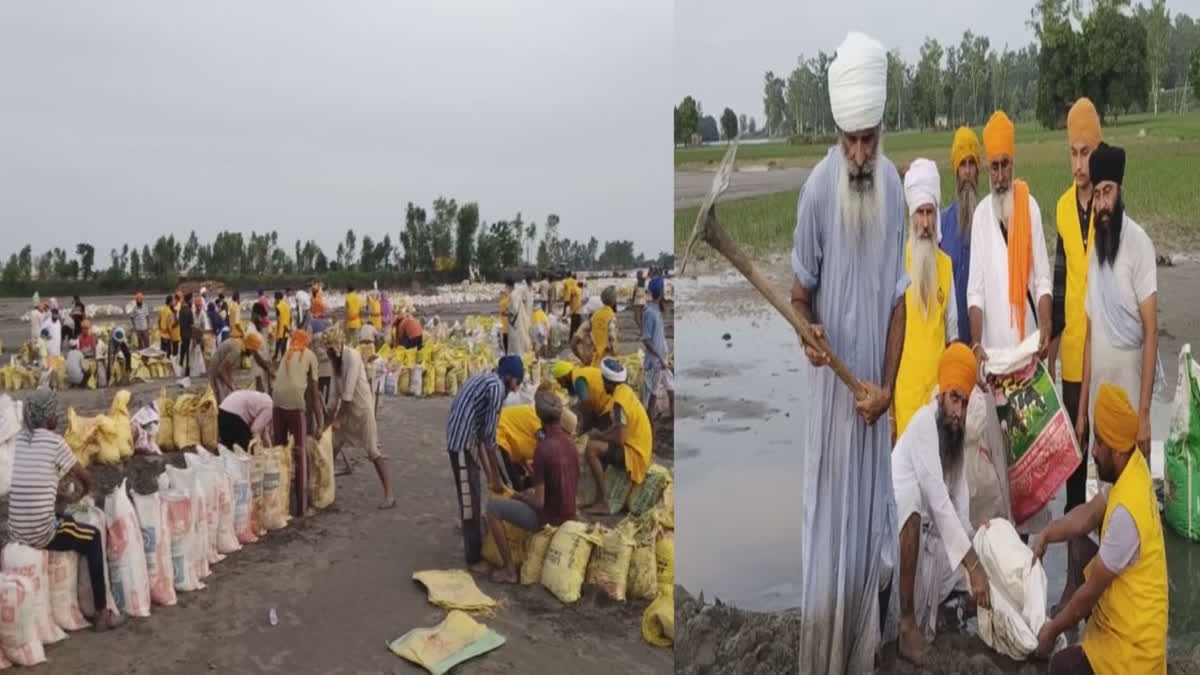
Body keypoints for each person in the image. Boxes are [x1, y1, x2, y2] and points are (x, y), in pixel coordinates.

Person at [787, 32, 908, 672]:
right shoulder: (813, 194)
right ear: (837, 134)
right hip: (834, 411)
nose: (860, 154)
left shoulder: (891, 186)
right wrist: (808, 331)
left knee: (873, 531)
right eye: (849, 141)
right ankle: (827, 655)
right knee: (831, 530)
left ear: (881, 127)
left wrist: (886, 388)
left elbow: (898, 303)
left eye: (868, 138)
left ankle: (867, 647)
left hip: (874, 406)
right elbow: (798, 294)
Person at [1033, 383, 1167, 674]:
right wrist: (1047, 534)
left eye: (1099, 444)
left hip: (1134, 651)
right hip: (1127, 612)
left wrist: (1052, 630)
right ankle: (1078, 624)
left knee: (1060, 666)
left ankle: (1075, 634)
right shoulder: (1132, 469)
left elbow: (1090, 593)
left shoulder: (1125, 515)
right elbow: (1087, 515)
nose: (1092, 451)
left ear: (1118, 450)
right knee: (1078, 542)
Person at [967, 110, 1054, 536]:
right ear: (987, 167)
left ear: (1013, 164)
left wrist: (1047, 328)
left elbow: (1041, 278)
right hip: (996, 364)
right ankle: (1006, 549)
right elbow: (975, 291)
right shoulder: (982, 217)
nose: (1000, 174)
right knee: (1000, 460)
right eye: (994, 166)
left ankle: (1032, 555)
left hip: (1027, 357)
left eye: (1006, 165)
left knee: (1032, 462)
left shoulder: (1030, 208)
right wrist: (978, 343)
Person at [889, 343, 991, 665]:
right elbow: (939, 503)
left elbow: (959, 510)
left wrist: (980, 547)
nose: (958, 412)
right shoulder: (923, 425)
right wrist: (973, 566)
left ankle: (943, 609)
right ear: (941, 394)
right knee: (913, 507)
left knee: (984, 547)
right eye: (954, 399)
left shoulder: (955, 436)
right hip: (896, 538)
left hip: (929, 547)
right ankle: (906, 624)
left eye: (964, 401)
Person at [1046, 97, 1102, 610]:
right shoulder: (1064, 207)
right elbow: (1060, 286)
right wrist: (1049, 344)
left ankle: (1110, 575)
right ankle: (1073, 577)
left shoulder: (1111, 203)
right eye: (1073, 153)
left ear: (1099, 150)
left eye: (1086, 152)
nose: (1079, 164)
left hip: (1108, 356)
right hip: (1072, 358)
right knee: (1072, 468)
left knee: (1111, 463)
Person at [1076, 142, 1164, 465]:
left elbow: (1152, 332)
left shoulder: (1139, 245)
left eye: (1107, 192)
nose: (1101, 203)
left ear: (1120, 192)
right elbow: (1090, 337)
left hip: (1129, 403)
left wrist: (1143, 415)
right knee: (1104, 493)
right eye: (1097, 194)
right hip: (1099, 402)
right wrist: (1083, 411)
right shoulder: (1095, 255)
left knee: (1132, 490)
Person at [9, 391, 123, 631]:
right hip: (41, 534)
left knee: (66, 519)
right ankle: (102, 612)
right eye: (54, 414)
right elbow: (85, 478)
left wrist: (58, 495)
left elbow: (35, 481)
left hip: (16, 529)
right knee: (92, 537)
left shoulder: (20, 440)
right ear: (48, 417)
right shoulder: (54, 442)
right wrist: (79, 495)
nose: (57, 418)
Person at [483, 391, 579, 584]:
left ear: (538, 416)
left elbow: (539, 501)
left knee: (492, 508)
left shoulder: (543, 449)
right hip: (570, 512)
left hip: (549, 518)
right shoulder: (571, 444)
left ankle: (509, 570)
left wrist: (520, 496)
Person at [893, 158, 958, 440]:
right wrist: (889, 413)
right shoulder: (895, 265)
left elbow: (952, 337)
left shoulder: (946, 266)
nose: (926, 223)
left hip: (936, 405)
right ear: (911, 216)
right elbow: (886, 342)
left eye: (930, 212)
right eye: (920, 213)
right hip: (903, 401)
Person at [445, 355, 525, 570]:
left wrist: (490, 475)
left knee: (474, 490)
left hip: (467, 439)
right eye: (517, 382)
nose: (516, 390)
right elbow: (490, 439)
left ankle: (475, 541)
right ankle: (473, 559)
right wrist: (497, 480)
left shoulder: (488, 379)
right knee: (469, 499)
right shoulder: (497, 388)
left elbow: (482, 435)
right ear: (509, 377)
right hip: (461, 443)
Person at [320, 326, 395, 509]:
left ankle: (390, 495)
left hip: (361, 411)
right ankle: (326, 492)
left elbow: (347, 394)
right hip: (345, 412)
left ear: (337, 348)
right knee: (331, 448)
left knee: (373, 451)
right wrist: (326, 423)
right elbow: (333, 397)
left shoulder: (352, 357)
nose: (328, 355)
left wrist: (337, 420)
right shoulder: (335, 362)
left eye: (330, 351)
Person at [580, 359, 652, 515]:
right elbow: (619, 428)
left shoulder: (619, 403)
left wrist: (600, 435)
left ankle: (603, 502)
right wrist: (602, 434)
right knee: (599, 439)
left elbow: (619, 438)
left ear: (608, 382)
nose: (602, 384)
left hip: (635, 452)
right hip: (639, 444)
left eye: (603, 381)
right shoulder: (625, 391)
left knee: (591, 448)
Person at [271, 329, 323, 519]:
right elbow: (315, 395)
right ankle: (302, 509)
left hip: (276, 402)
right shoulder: (310, 356)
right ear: (307, 342)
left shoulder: (287, 353)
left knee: (279, 451)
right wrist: (319, 422)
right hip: (295, 404)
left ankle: (277, 503)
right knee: (300, 454)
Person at [939, 127, 982, 345]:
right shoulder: (941, 224)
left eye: (971, 164)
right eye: (962, 164)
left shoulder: (990, 221)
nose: (967, 171)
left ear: (978, 169)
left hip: (983, 344)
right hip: (950, 345)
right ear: (956, 171)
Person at [641, 276, 673, 422]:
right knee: (652, 399)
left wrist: (664, 356)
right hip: (655, 362)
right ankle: (651, 431)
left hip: (662, 359)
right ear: (661, 292)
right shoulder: (649, 313)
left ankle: (672, 417)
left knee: (671, 389)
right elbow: (646, 340)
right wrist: (659, 357)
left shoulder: (657, 311)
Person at [552, 361, 612, 433]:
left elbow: (586, 406)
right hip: (608, 403)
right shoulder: (579, 372)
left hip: (609, 408)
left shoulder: (578, 380)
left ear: (565, 377)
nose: (561, 386)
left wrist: (583, 428)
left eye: (560, 382)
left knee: (593, 436)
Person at [208, 332, 269, 404]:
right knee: (223, 400)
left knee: (228, 395)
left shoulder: (241, 343)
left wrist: (231, 383)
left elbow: (228, 368)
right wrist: (232, 387)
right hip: (216, 372)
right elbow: (222, 370)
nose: (252, 354)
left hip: (220, 369)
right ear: (249, 348)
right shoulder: (236, 350)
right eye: (252, 351)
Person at [494, 404, 542, 491]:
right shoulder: (539, 424)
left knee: (516, 482)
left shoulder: (536, 426)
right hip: (498, 438)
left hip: (504, 442)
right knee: (513, 486)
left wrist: (531, 472)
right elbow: (544, 451)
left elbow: (521, 456)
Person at [579, 286, 618, 366]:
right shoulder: (611, 315)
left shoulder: (595, 314)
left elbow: (586, 332)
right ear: (614, 301)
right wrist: (614, 352)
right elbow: (612, 337)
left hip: (595, 353)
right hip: (606, 355)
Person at [273, 291, 291, 361]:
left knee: (279, 346)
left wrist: (276, 331)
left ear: (277, 298)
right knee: (284, 347)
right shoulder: (287, 306)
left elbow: (278, 320)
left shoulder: (278, 307)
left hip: (280, 330)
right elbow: (290, 318)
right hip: (287, 329)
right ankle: (281, 359)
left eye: (275, 298)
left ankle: (277, 358)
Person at [499, 280, 512, 354]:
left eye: (501, 294)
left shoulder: (503, 302)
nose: (500, 295)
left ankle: (507, 354)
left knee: (506, 341)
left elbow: (503, 312)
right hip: (508, 324)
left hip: (505, 325)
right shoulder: (508, 300)